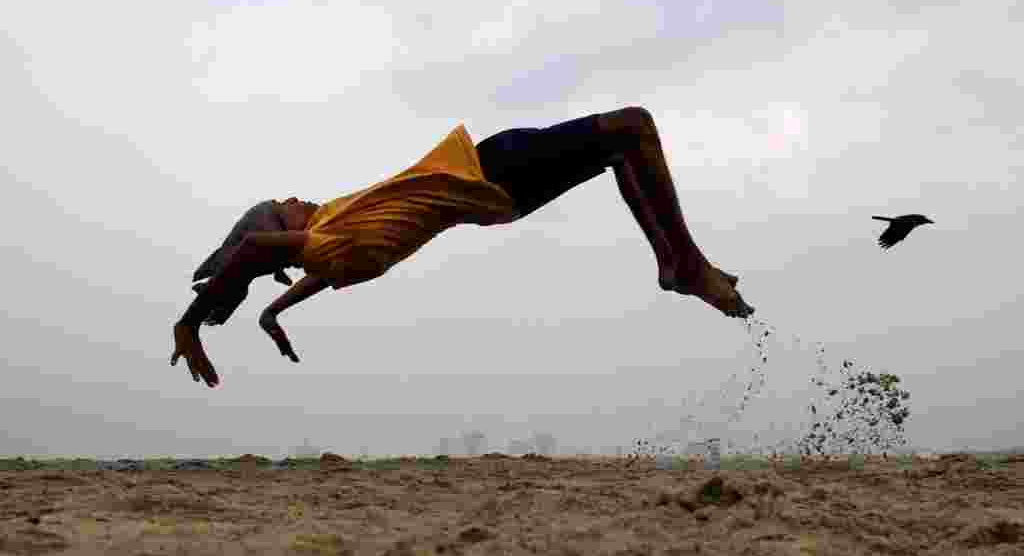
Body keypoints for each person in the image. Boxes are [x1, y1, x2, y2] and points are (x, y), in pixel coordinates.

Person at [171, 107, 755, 387]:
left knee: (621, 149)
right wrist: (191, 325)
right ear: (281, 227)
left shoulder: (337, 248)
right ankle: (686, 264)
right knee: (634, 128)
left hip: (497, 195)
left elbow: (307, 272)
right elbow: (253, 250)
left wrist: (273, 311)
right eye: (286, 203)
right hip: (490, 173)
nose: (298, 197)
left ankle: (673, 263)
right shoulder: (329, 236)